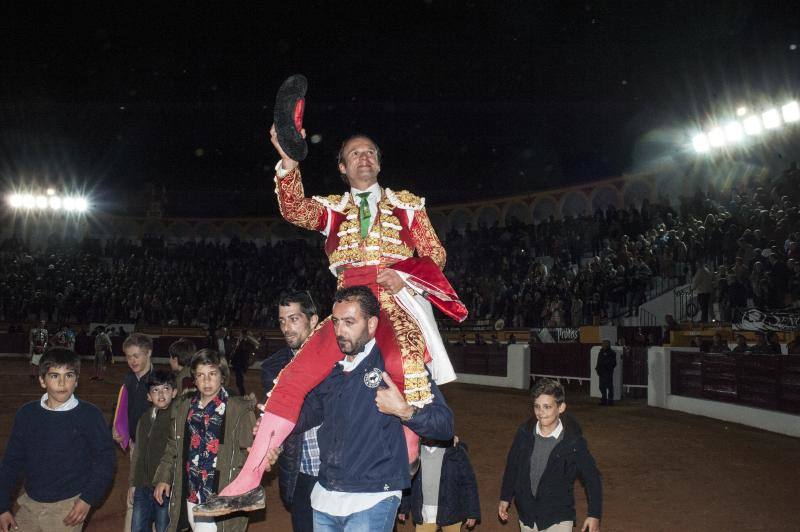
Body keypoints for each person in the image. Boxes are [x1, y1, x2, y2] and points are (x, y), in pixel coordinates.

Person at [202, 126, 466, 511]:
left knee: (403, 367)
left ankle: (407, 456)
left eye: (370, 152)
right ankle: (249, 480)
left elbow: (435, 254)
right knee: (293, 377)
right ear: (342, 167)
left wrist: (404, 273)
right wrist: (289, 163)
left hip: (391, 300)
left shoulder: (408, 204)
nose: (364, 157)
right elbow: (294, 209)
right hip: (346, 303)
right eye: (355, 154)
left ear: (378, 162)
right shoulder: (334, 209)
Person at [0, 348, 116, 532]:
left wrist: (87, 499)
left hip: (67, 507)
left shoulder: (89, 415)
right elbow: (11, 463)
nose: (62, 383)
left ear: (76, 380)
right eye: (54, 376)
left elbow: (105, 460)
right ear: (41, 380)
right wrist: (3, 507)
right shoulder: (27, 414)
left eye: (68, 375)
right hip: (31, 502)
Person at [152, 349, 256, 532]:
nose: (206, 381)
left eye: (212, 374)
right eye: (200, 375)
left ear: (222, 377)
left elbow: (251, 453)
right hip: (191, 491)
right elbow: (173, 447)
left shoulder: (239, 410)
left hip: (222, 493)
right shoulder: (184, 408)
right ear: (194, 379)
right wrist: (164, 477)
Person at [499, 378, 602, 532]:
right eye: (537, 406)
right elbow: (512, 466)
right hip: (528, 514)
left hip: (558, 516)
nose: (541, 412)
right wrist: (505, 497)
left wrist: (594, 514)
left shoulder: (573, 442)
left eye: (547, 407)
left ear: (561, 408)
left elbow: (592, 477)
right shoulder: (524, 433)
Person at [260, 291, 320, 532]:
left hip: (341, 469)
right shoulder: (272, 367)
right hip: (302, 469)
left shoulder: (339, 357)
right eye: (282, 321)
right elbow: (279, 425)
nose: (286, 327)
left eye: (294, 319)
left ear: (313, 320)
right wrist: (271, 444)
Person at [114, 333, 156, 532]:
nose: (132, 360)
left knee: (149, 491)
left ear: (148, 353)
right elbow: (123, 409)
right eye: (129, 356)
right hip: (135, 445)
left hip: (154, 447)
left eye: (137, 355)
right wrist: (115, 428)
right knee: (137, 491)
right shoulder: (130, 380)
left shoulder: (158, 382)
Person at [398, 436, 481, 532]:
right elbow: (408, 481)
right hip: (424, 514)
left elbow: (469, 483)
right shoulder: (415, 451)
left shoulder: (455, 451)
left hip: (451, 512)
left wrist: (472, 512)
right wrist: (403, 507)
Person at [129, 370, 178, 532]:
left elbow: (176, 453)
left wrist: (169, 480)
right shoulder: (144, 419)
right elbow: (138, 452)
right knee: (137, 527)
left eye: (166, 389)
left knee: (165, 527)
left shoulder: (176, 418)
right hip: (142, 486)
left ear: (174, 392)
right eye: (155, 390)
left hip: (165, 488)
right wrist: (133, 484)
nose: (161, 394)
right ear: (149, 396)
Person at [231, 329, 257, 396]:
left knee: (239, 381)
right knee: (239, 381)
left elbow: (242, 351)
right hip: (240, 363)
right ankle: (242, 394)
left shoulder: (244, 342)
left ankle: (242, 395)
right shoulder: (243, 342)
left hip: (240, 363)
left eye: (241, 334)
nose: (239, 335)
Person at [595, 340, 616, 406]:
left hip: (607, 372)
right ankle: (604, 400)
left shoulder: (612, 353)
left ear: (607, 345)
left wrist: (607, 368)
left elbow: (614, 363)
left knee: (609, 387)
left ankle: (610, 401)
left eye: (604, 344)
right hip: (602, 372)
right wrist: (597, 369)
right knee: (602, 387)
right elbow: (599, 362)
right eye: (603, 344)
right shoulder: (601, 352)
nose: (602, 345)